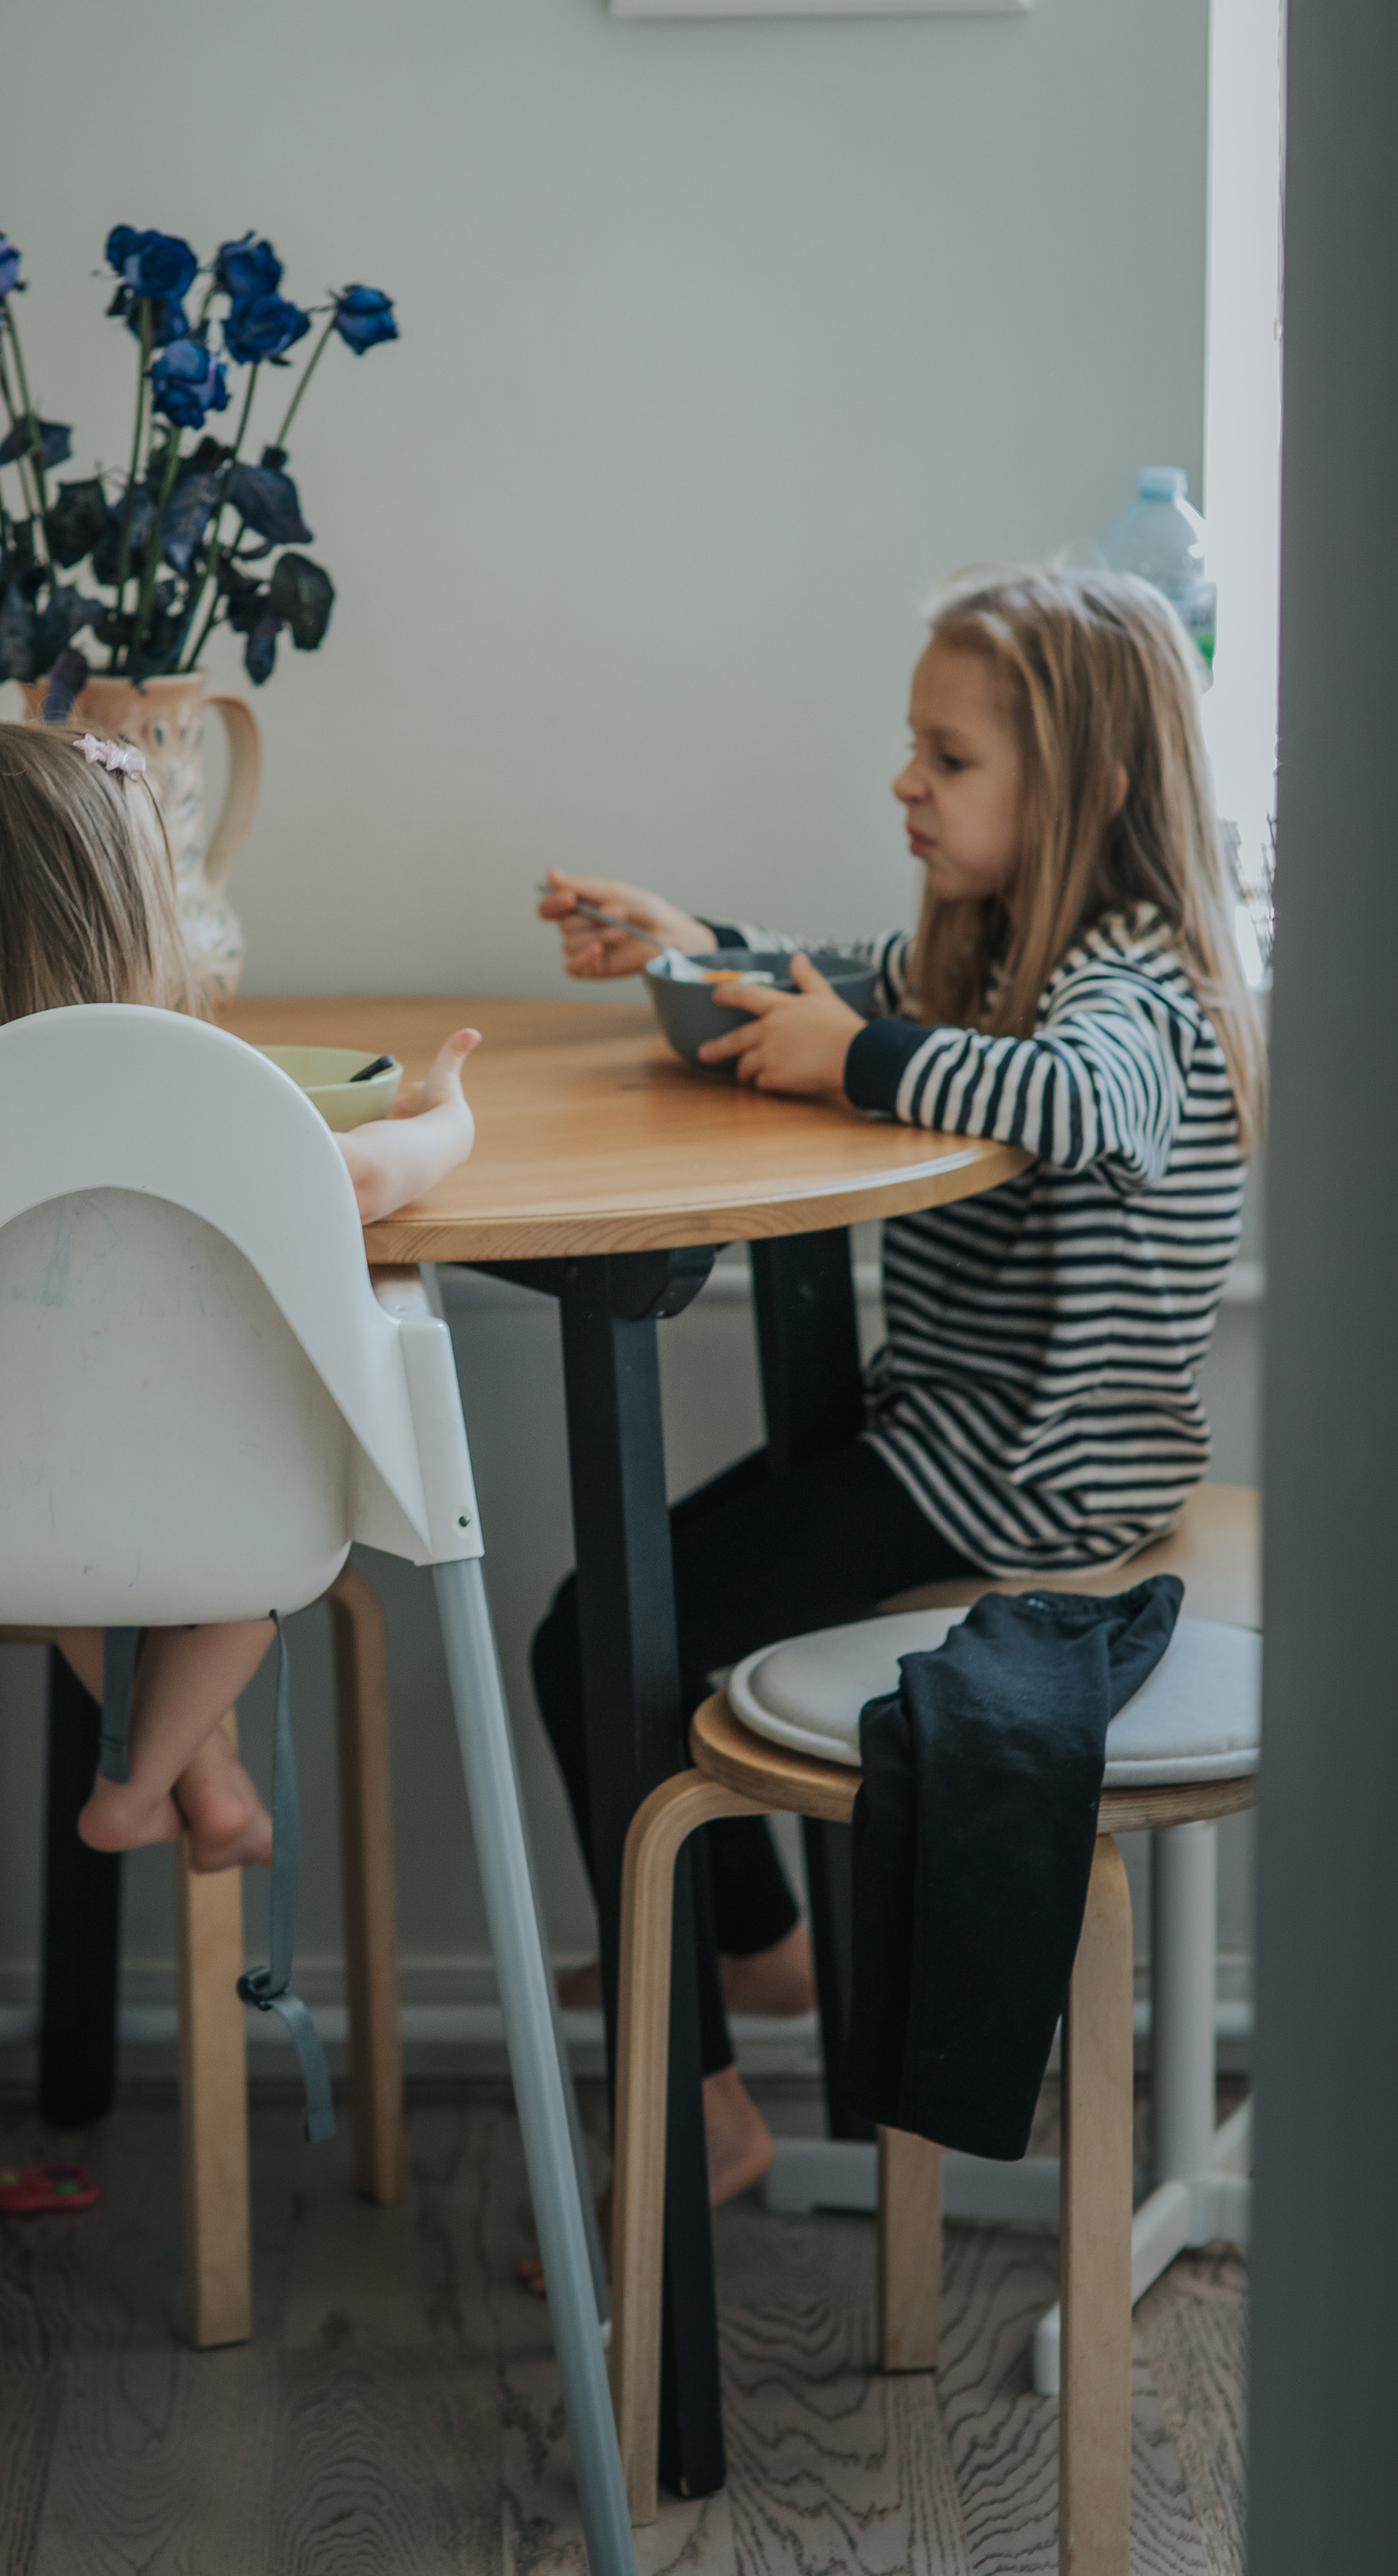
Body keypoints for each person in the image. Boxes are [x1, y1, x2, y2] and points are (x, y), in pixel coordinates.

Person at [538, 565, 1265, 2203]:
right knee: (609, 1623)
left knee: (597, 1635)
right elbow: (838, 981)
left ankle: (707, 2092)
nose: (902, 785)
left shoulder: (1131, 983)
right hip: (952, 1445)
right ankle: (762, 1960)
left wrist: (853, 1058)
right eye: (911, 751)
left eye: (947, 758)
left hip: (1026, 1480)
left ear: (1088, 783)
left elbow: (1082, 1101)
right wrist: (696, 950)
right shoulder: (994, 945)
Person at [0, 718, 480, 1874]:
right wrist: (450, 1120)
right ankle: (140, 1782)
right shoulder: (214, 1100)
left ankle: (195, 1774)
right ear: (127, 918)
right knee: (258, 1534)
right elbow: (372, 1179)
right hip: (229, 1500)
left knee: (69, 1516)